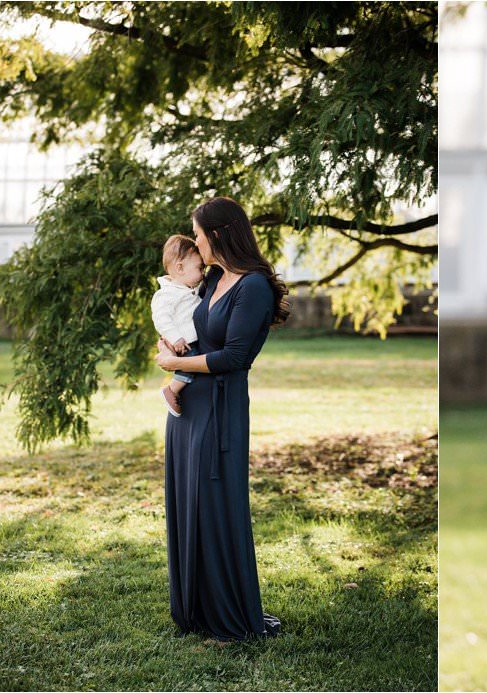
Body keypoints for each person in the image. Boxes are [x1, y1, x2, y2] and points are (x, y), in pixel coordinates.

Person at [154, 196, 291, 642]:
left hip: (220, 409)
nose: (193, 242)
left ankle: (229, 617)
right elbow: (181, 318)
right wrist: (169, 346)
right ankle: (196, 610)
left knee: (215, 509)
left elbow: (233, 357)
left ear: (216, 235)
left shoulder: (253, 287)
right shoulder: (212, 278)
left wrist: (174, 368)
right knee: (189, 506)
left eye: (197, 233)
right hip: (187, 411)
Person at [152, 235, 206, 417]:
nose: (202, 273)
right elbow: (161, 319)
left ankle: (174, 390)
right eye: (200, 268)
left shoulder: (188, 289)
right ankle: (172, 390)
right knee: (189, 366)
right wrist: (176, 338)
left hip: (191, 340)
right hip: (184, 344)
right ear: (180, 268)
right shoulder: (166, 294)